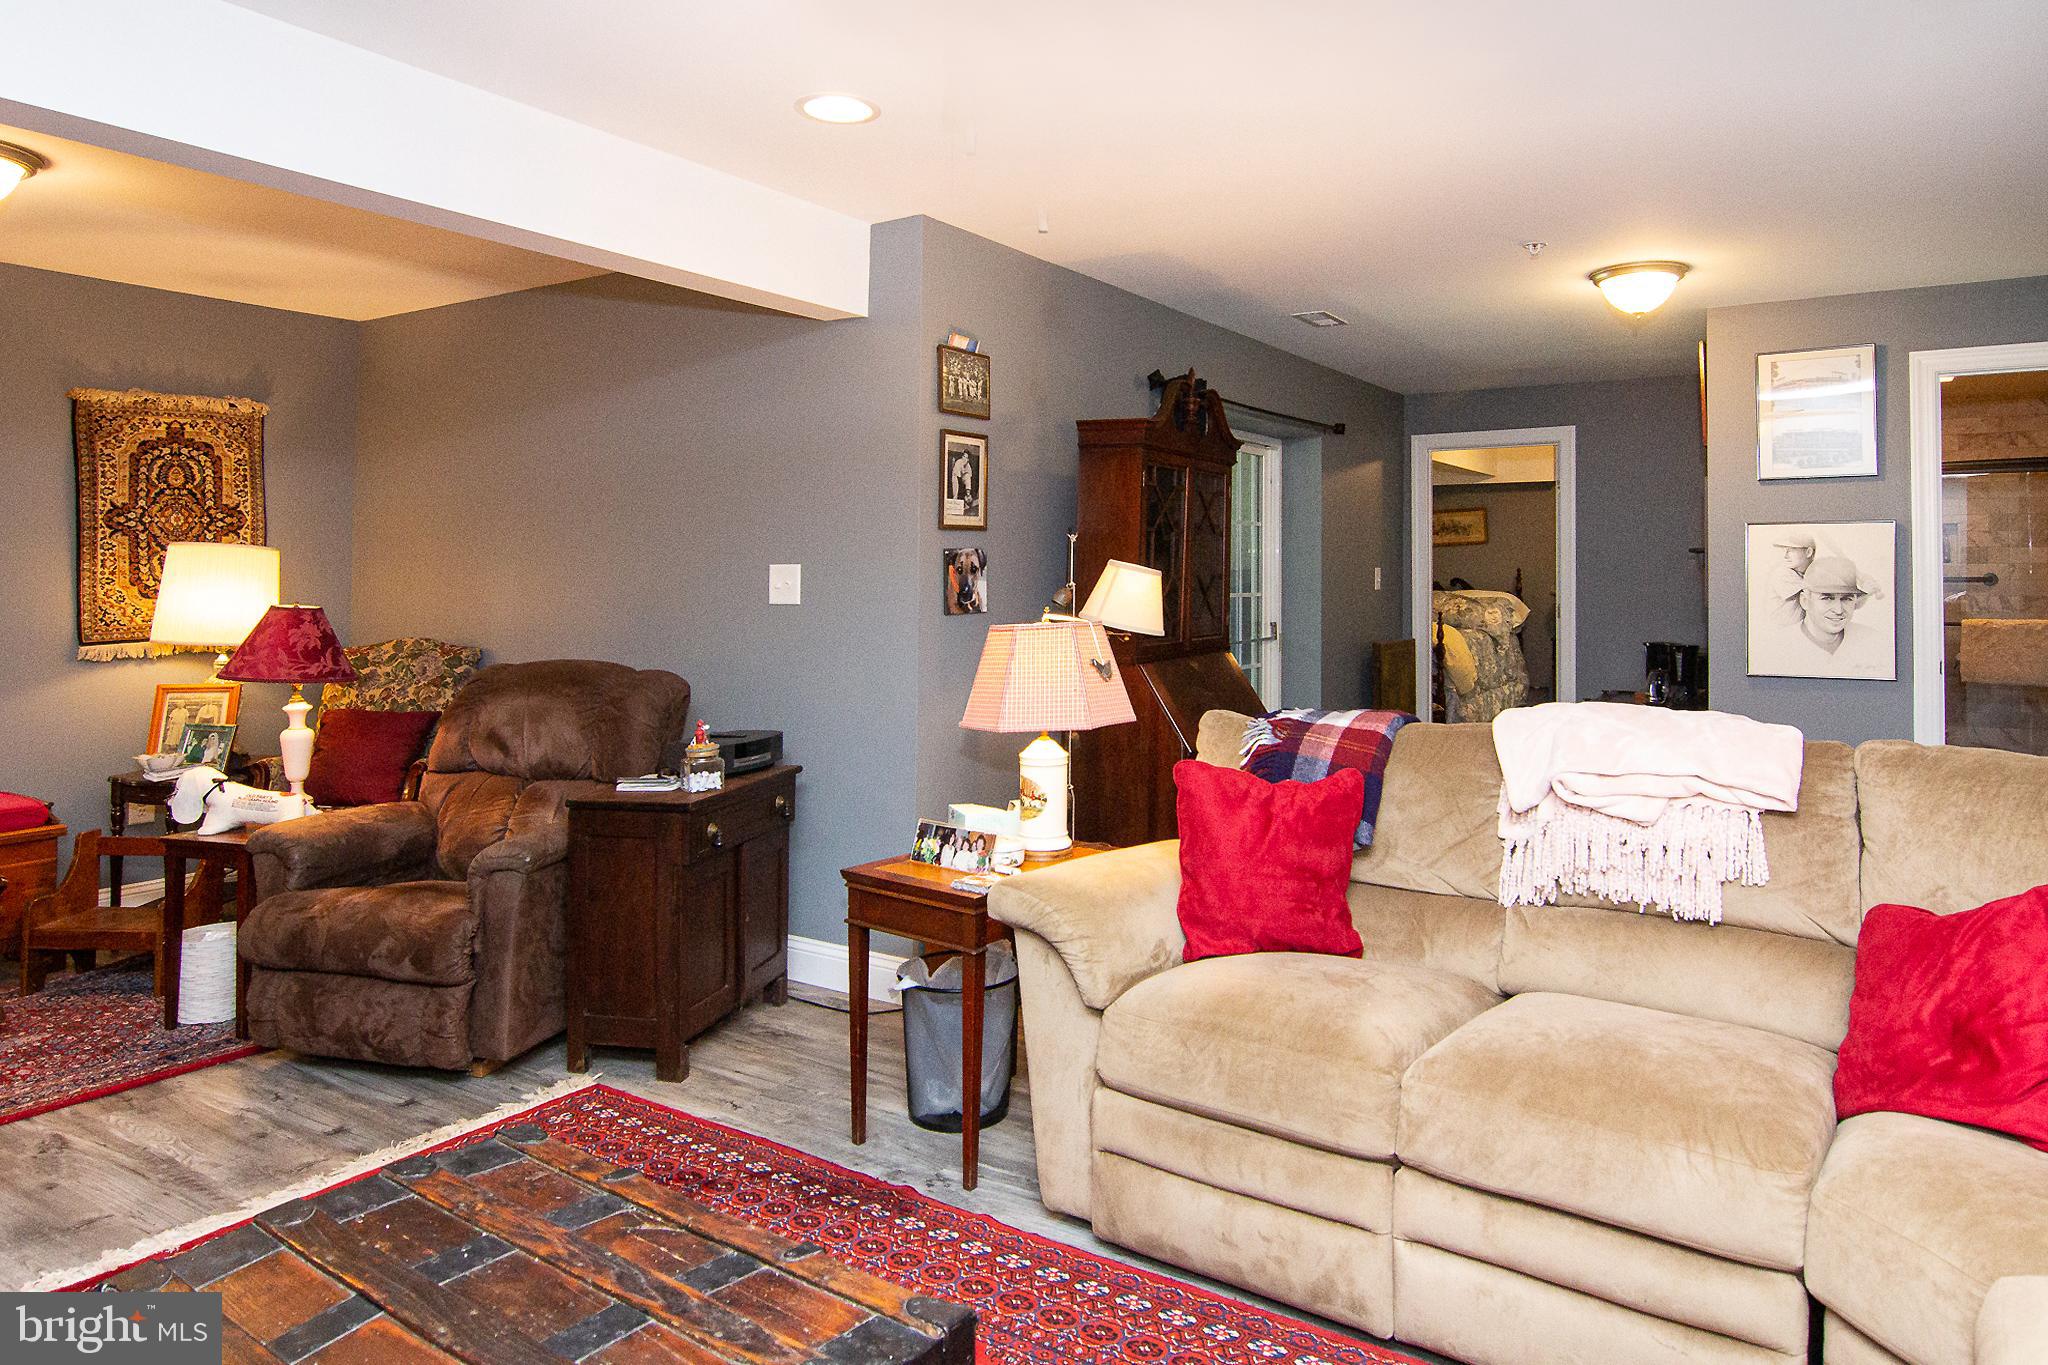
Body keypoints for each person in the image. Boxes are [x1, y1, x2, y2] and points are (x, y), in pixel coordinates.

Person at [1774, 556, 1891, 677]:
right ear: (1804, 601)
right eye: (1827, 598)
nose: (1838, 610)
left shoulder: (1874, 641)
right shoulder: (1779, 646)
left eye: (1847, 599)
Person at [1767, 533, 1816, 626]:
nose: (1785, 556)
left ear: (1809, 552)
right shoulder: (1782, 573)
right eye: (1784, 550)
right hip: (1780, 631)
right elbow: (1818, 590)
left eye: (1791, 550)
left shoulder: (1809, 573)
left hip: (1798, 632)